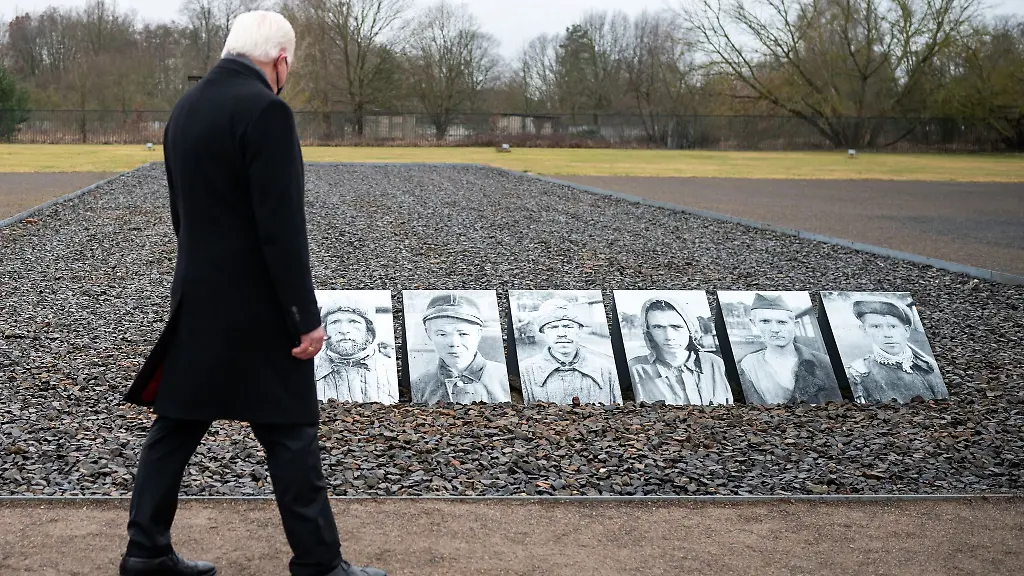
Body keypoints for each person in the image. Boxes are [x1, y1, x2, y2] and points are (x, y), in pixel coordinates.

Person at [120, 11, 387, 576]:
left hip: (198, 299)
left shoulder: (185, 109)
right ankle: (318, 563)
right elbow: (281, 228)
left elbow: (181, 217)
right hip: (260, 309)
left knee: (175, 426)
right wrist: (304, 317)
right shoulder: (266, 111)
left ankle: (146, 550)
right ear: (281, 60)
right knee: (290, 433)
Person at [736, 293, 842, 405]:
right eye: (765, 321)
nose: (775, 329)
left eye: (782, 322)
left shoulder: (824, 363)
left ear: (795, 325)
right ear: (754, 324)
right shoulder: (747, 366)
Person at [626, 297, 733, 405]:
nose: (669, 336)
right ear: (648, 331)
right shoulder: (635, 370)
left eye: (677, 327)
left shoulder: (713, 363)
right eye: (658, 327)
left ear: (690, 328)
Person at [411, 292, 511, 404]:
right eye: (442, 334)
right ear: (429, 334)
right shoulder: (419, 386)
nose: (454, 343)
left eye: (463, 334)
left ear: (478, 334)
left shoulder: (506, 378)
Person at [519, 298, 620, 405]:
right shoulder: (525, 373)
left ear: (579, 330)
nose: (561, 333)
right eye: (553, 327)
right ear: (544, 332)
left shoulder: (606, 371)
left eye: (568, 326)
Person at [845, 298, 948, 403]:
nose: (887, 334)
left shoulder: (931, 366)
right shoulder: (858, 375)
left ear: (906, 331)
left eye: (893, 326)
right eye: (876, 327)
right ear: (864, 330)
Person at [315, 297, 398, 404]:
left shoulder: (390, 371)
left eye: (354, 322)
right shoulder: (306, 373)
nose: (344, 330)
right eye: (335, 322)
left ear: (369, 330)